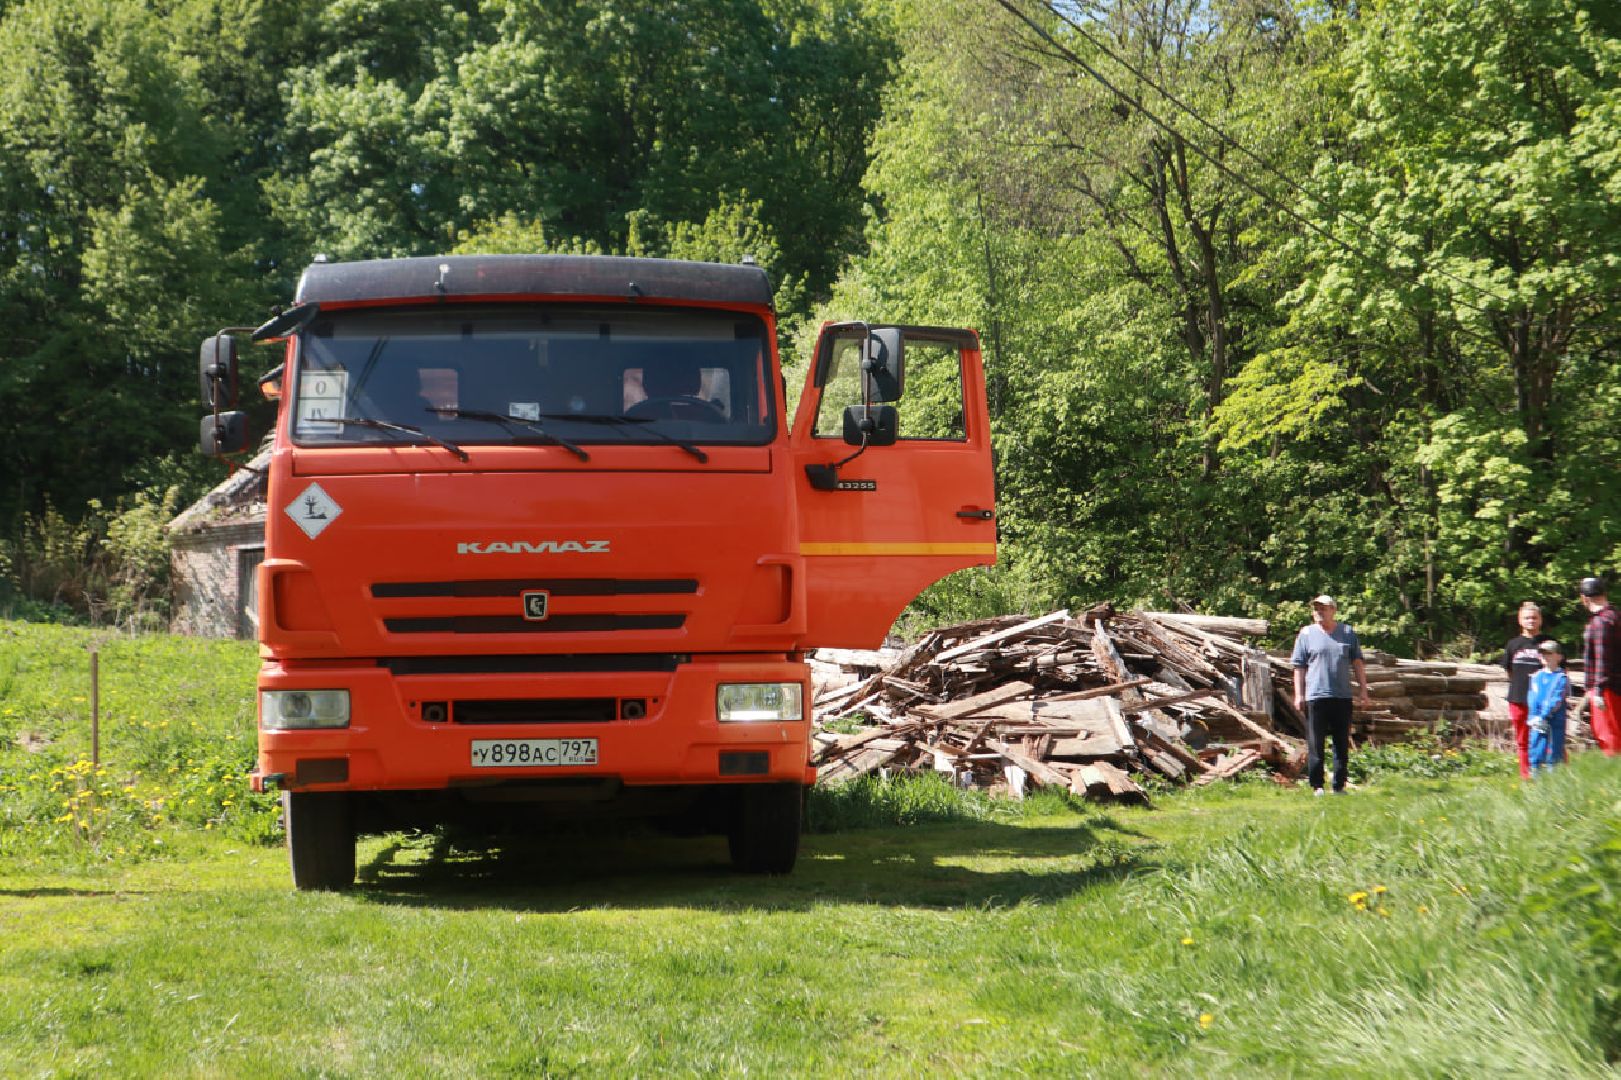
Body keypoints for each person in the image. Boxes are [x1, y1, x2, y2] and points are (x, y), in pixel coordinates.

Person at [1291, 594, 1373, 796]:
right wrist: (1298, 695)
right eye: (1317, 608)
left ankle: (1339, 786)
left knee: (1341, 742)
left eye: (1324, 608)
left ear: (1333, 610)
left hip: (1342, 696)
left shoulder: (1347, 632)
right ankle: (1317, 786)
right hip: (1316, 696)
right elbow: (1299, 667)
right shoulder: (1306, 634)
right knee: (1316, 743)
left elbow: (1358, 664)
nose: (1320, 611)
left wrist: (1363, 691)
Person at [1501, 601, 1556, 780]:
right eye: (1527, 617)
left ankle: (1554, 773)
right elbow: (1509, 671)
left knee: (1548, 737)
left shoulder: (1549, 644)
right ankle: (1527, 776)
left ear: (1540, 620)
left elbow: (1559, 672)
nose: (1531, 621)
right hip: (1518, 698)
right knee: (1523, 740)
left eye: (1534, 617)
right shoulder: (1513, 644)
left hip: (1543, 701)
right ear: (1520, 620)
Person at [1579, 576, 1621, 756]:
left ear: (1584, 598)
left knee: (1608, 734)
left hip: (1607, 688)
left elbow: (1603, 658)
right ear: (1604, 594)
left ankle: (1615, 778)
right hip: (1614, 685)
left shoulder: (1601, 622)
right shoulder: (1615, 616)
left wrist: (1597, 690)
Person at [1525, 640, 1570, 774]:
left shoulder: (1561, 677)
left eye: (1549, 654)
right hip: (1537, 719)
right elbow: (1532, 696)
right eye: (1543, 654)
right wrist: (1533, 716)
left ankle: (1553, 777)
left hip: (1554, 720)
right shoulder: (1536, 676)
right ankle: (1535, 775)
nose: (1546, 657)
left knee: (1554, 749)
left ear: (1559, 657)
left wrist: (1544, 715)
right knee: (1536, 747)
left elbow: (1557, 699)